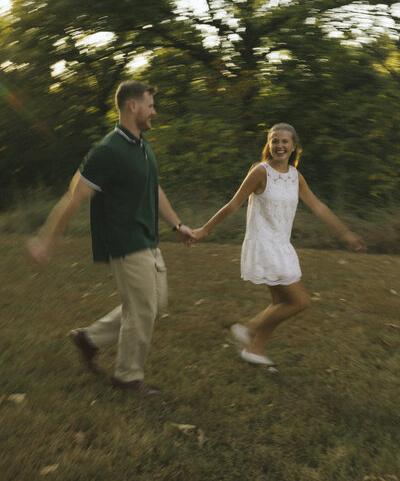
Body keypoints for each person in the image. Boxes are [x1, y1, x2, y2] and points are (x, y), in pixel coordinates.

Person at [27, 80, 195, 396]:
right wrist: (44, 241)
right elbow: (74, 198)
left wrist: (177, 225)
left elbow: (154, 190)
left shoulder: (142, 146)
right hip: (124, 242)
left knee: (155, 304)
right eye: (150, 105)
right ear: (133, 106)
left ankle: (88, 339)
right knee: (143, 308)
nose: (154, 111)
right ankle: (127, 378)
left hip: (148, 239)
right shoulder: (108, 151)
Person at [193, 123, 365, 367]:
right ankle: (249, 329)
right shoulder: (261, 172)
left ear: (294, 146)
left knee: (280, 304)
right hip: (264, 245)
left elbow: (319, 207)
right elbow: (233, 204)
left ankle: (254, 351)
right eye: (275, 141)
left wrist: (346, 234)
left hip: (282, 246)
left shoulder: (296, 177)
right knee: (299, 302)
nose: (280, 146)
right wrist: (204, 230)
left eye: (285, 141)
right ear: (269, 145)